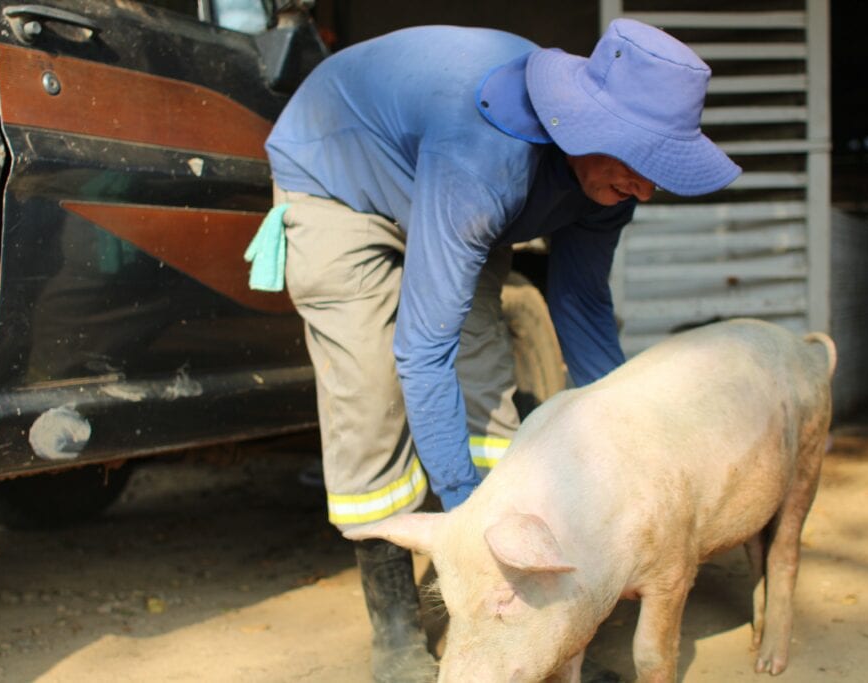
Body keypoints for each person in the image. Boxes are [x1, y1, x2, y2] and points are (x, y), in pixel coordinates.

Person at [246, 17, 740, 682]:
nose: (647, 189)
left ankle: (525, 626)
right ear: (587, 126)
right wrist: (471, 523)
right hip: (340, 177)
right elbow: (423, 350)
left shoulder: (609, 180)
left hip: (440, 185)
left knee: (488, 375)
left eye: (658, 167)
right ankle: (396, 632)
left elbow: (582, 307)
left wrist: (632, 448)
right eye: (639, 161)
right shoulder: (488, 153)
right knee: (370, 395)